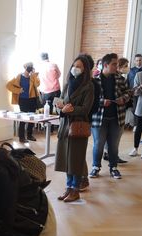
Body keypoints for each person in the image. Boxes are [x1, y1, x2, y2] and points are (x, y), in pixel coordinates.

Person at [54, 55, 94, 203]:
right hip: (65, 126)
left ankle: (75, 190)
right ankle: (68, 188)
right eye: (74, 65)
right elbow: (60, 102)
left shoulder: (88, 86)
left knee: (75, 160)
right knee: (66, 160)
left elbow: (85, 109)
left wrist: (70, 109)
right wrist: (60, 108)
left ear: (85, 70)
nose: (75, 69)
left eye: (79, 67)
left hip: (78, 127)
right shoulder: (67, 84)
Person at [89, 53, 130, 180]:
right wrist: (102, 102)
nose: (116, 66)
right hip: (99, 118)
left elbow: (128, 92)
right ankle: (96, 167)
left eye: (117, 64)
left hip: (116, 117)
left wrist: (123, 98)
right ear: (105, 65)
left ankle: (113, 167)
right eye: (114, 64)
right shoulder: (95, 80)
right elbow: (91, 99)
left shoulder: (120, 79)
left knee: (113, 145)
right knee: (98, 144)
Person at [6, 62, 41, 143]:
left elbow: (37, 84)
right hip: (23, 100)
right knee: (23, 118)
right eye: (28, 67)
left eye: (31, 67)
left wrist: (34, 75)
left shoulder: (33, 77)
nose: (29, 69)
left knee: (32, 118)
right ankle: (21, 137)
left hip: (32, 99)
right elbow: (8, 85)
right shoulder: (19, 76)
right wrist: (18, 90)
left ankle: (29, 135)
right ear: (24, 67)